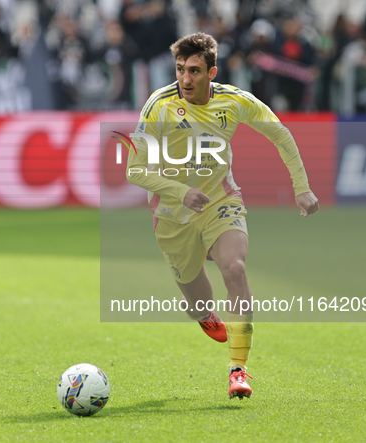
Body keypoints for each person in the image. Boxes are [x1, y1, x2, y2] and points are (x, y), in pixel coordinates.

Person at [126, 32, 319, 399]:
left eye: (195, 71)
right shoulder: (158, 105)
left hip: (220, 202)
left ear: (212, 72)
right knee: (198, 301)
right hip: (172, 215)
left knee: (236, 268)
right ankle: (203, 314)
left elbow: (281, 134)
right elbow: (134, 170)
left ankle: (238, 370)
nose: (185, 79)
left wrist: (302, 187)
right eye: (180, 69)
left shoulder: (234, 102)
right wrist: (182, 192)